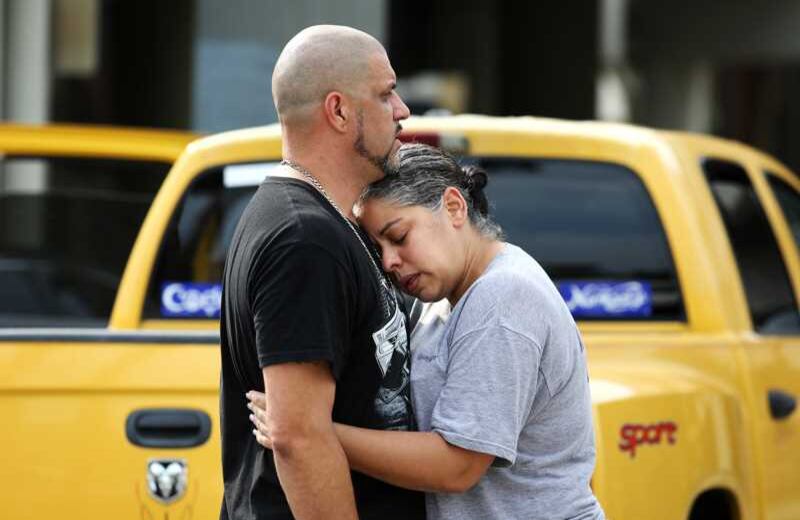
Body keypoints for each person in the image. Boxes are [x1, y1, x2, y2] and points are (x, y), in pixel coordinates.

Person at [248, 143, 606, 520]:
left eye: (399, 237)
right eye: (378, 249)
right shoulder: (443, 298)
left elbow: (458, 466)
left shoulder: (502, 297)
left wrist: (309, 431)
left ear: (454, 207)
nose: (389, 261)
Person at [219, 25, 425, 520]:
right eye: (385, 93)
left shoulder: (326, 223)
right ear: (338, 111)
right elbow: (297, 436)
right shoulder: (303, 238)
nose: (402, 110)